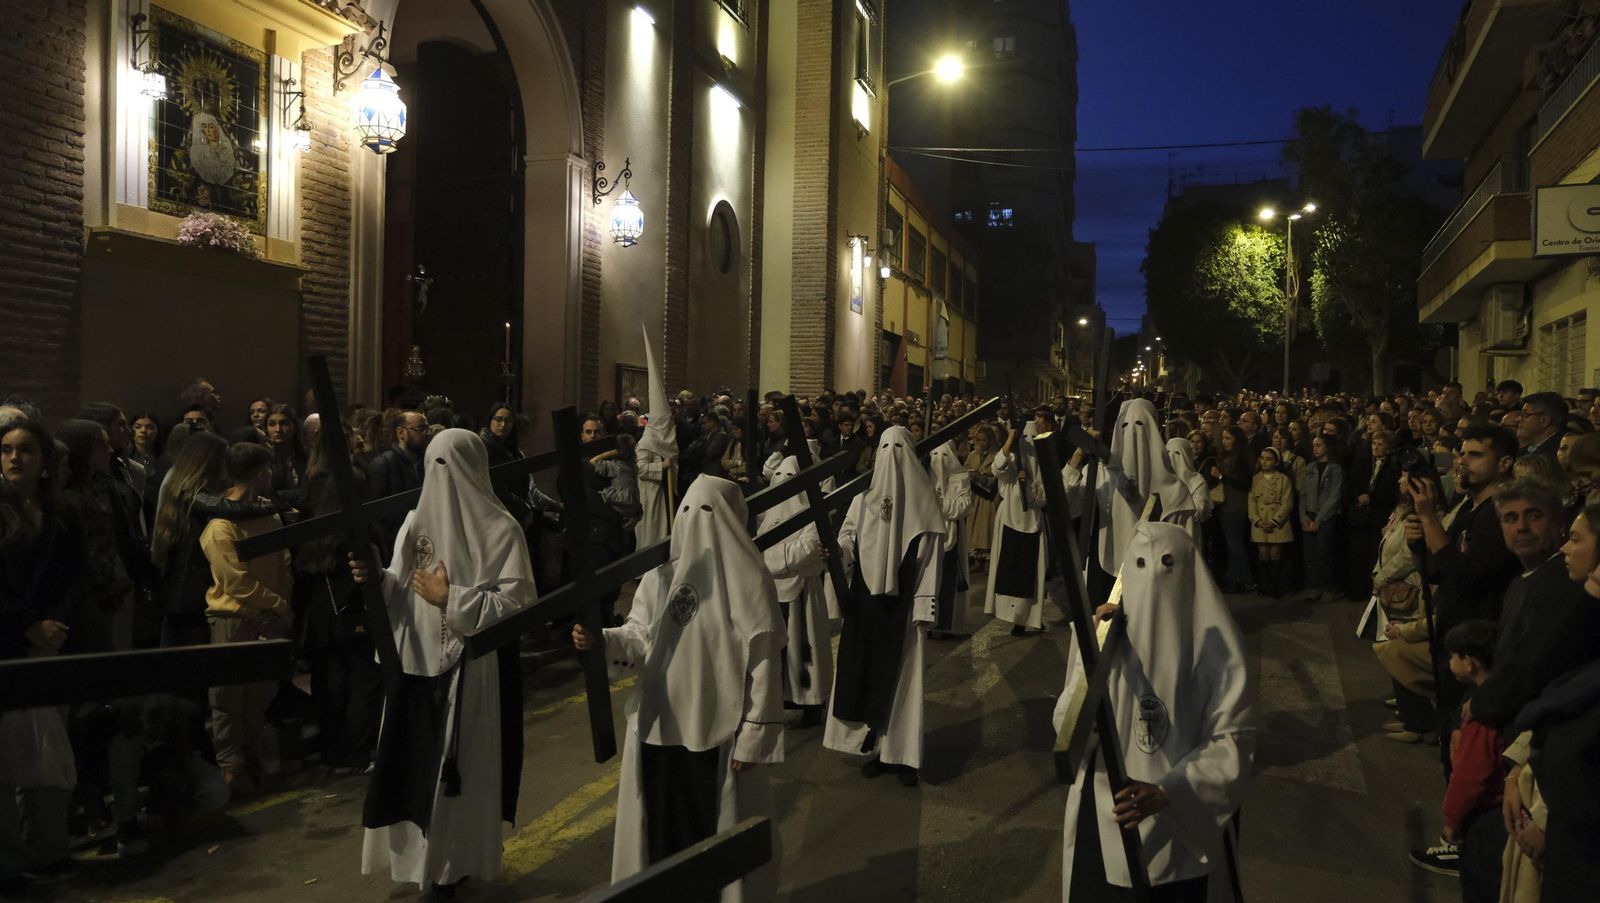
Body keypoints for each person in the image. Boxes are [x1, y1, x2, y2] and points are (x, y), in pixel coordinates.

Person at [576, 476, 785, 901]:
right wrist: (603, 639)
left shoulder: (749, 579)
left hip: (719, 727)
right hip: (659, 722)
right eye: (688, 511)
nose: (696, 523)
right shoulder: (659, 577)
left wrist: (754, 735)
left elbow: (763, 659)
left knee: (715, 836)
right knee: (660, 827)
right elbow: (638, 635)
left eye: (708, 513)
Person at [352, 429, 537, 900]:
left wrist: (450, 598)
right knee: (413, 771)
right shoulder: (414, 522)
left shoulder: (500, 529)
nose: (441, 479)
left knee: (456, 777)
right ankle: (418, 865)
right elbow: (397, 585)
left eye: (449, 466)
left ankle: (452, 867)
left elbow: (518, 604)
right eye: (432, 465)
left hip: (468, 673)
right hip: (413, 665)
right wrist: (377, 578)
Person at [1054, 523, 1257, 902]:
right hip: (1104, 819)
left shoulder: (1219, 650)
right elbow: (1068, 729)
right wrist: (1091, 657)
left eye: (1168, 565)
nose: (1154, 582)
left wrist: (1170, 790)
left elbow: (1233, 741)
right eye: (1141, 566)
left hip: (1181, 832)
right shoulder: (1110, 636)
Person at [824, 425, 946, 786]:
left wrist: (924, 608)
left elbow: (930, 561)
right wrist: (837, 552)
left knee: (902, 683)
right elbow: (848, 537)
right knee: (864, 673)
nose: (890, 456)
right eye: (884, 448)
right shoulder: (862, 501)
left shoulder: (924, 505)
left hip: (903, 608)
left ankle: (903, 757)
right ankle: (874, 747)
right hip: (865, 604)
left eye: (897, 448)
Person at [0, 419, 83, 890]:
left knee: (51, 756)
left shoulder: (63, 512)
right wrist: (29, 626)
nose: (15, 458)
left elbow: (75, 575)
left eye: (26, 450)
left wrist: (54, 627)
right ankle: (8, 861)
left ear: (45, 461)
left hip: (53, 644)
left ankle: (49, 850)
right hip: (9, 642)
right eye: (7, 450)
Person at [1403, 426, 1522, 737]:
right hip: (1454, 636)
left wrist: (1429, 518)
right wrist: (1417, 544)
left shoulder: (1501, 513)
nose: (1461, 461)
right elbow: (1436, 571)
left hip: (1479, 641)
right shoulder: (1470, 508)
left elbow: (1466, 578)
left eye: (1475, 454)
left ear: (1505, 463)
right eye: (1461, 453)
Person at [198, 442, 293, 797]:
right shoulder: (221, 526)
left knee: (259, 696)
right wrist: (276, 605)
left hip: (266, 616)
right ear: (259, 473)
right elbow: (234, 580)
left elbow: (283, 563)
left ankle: (256, 760)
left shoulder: (268, 516)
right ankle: (231, 768)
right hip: (233, 618)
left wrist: (281, 606)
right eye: (268, 469)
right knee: (227, 699)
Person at [295, 472, 382, 776]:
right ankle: (357, 753)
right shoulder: (357, 530)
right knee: (364, 683)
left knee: (332, 685)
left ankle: (335, 753)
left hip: (323, 621)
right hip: (354, 616)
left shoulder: (315, 531)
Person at [758, 456, 832, 727]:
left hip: (803, 592)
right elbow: (759, 547)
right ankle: (784, 699)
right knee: (780, 652)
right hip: (772, 594)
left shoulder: (812, 514)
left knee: (804, 649)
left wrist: (773, 558)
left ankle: (812, 702)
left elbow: (808, 548)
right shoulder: (767, 516)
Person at [985, 421, 1047, 636]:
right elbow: (996, 468)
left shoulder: (1043, 465)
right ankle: (1009, 616)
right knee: (1008, 568)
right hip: (1009, 518)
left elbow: (1042, 498)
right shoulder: (1011, 459)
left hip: (1031, 520)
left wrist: (1029, 484)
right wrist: (1010, 441)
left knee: (1029, 573)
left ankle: (1028, 618)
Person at [635, 328, 678, 548]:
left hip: (660, 491)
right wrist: (660, 466)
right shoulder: (646, 442)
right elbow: (641, 468)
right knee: (651, 529)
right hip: (649, 493)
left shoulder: (660, 440)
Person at [928, 440, 975, 638]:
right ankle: (930, 621)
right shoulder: (926, 479)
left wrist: (939, 503)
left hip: (951, 534)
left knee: (948, 582)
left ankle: (948, 625)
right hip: (931, 536)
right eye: (935, 457)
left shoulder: (960, 478)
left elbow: (963, 506)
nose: (939, 462)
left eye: (944, 457)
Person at [1298, 435, 1345, 602]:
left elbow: (1334, 496)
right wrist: (1303, 516)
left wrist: (1319, 520)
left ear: (1327, 447)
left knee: (1323, 550)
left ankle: (1330, 587)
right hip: (1310, 513)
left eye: (1318, 445)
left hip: (1326, 515)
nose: (1315, 448)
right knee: (1310, 554)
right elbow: (1303, 493)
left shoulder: (1335, 469)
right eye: (1313, 445)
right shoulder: (1310, 467)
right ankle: (1315, 586)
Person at [1248, 446, 1294, 597]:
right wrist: (1256, 519)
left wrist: (1275, 520)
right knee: (1262, 552)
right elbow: (1252, 501)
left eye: (1269, 459)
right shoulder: (1255, 479)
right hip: (1261, 518)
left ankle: (1276, 586)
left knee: (1275, 551)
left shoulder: (1283, 479)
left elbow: (1287, 502)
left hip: (1276, 519)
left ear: (1276, 462)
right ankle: (1264, 585)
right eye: (1262, 458)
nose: (1264, 461)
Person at [964, 425, 999, 571]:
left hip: (989, 497)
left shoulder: (996, 455)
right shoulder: (973, 455)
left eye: (985, 440)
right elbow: (965, 469)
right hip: (975, 495)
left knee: (987, 527)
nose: (982, 443)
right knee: (974, 528)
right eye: (979, 440)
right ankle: (976, 559)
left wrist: (982, 477)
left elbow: (997, 475)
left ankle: (987, 561)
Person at [1516, 392, 1565, 461]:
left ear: (1545, 421)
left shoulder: (1558, 453)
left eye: (1525, 415)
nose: (1517, 419)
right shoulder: (1523, 451)